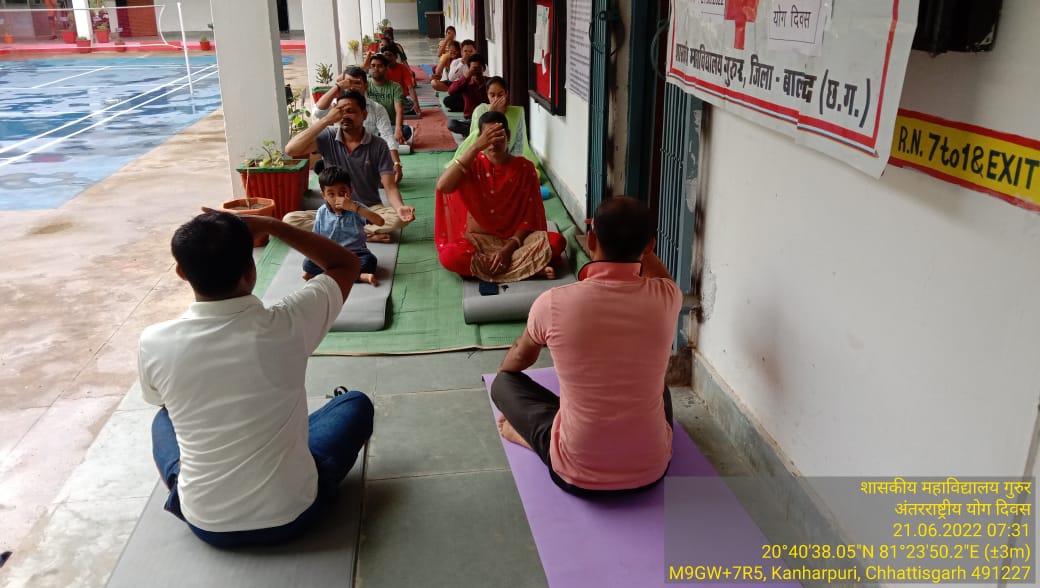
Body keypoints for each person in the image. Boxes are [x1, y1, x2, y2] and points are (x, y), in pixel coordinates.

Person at [140, 210, 374, 547]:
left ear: (181, 272)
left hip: (206, 523)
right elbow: (345, 264)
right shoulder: (289, 323)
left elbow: (159, 398)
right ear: (251, 271)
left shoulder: (152, 341)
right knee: (354, 404)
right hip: (295, 514)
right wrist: (273, 225)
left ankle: (182, 488)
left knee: (164, 417)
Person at [490, 196, 681, 497]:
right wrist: (643, 248)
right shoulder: (667, 297)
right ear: (649, 247)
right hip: (652, 470)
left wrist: (509, 379)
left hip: (576, 474)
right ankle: (569, 428)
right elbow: (661, 276)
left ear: (591, 240)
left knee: (503, 384)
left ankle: (538, 441)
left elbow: (520, 358)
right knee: (659, 389)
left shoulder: (553, 302)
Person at [435, 111, 565, 282]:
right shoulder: (472, 164)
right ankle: (528, 269)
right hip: (480, 242)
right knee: (450, 256)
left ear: (508, 136)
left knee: (557, 242)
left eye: (498, 136)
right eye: (488, 137)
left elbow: (529, 219)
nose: (493, 143)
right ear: (480, 138)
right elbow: (443, 186)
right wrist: (474, 148)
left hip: (517, 242)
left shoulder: (524, 168)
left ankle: (494, 269)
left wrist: (508, 250)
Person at [284, 89, 415, 242]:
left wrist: (399, 207)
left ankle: (338, 231)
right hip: (333, 210)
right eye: (340, 112)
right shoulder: (328, 136)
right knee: (290, 220)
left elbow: (390, 187)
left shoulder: (378, 145)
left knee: (398, 219)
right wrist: (325, 120)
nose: (344, 116)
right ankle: (363, 234)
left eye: (350, 111)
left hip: (368, 209)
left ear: (364, 115)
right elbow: (291, 149)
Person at [312, 66, 407, 183]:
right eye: (348, 83)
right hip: (340, 158)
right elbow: (317, 112)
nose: (352, 87)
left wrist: (396, 163)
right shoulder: (334, 106)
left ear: (366, 86)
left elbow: (387, 136)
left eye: (357, 83)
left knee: (385, 177)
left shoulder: (377, 108)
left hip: (366, 159)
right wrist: (337, 87)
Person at [305, 166, 385, 286]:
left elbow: (380, 222)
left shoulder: (357, 208)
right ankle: (358, 276)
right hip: (330, 256)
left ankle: (328, 274)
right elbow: (316, 238)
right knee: (307, 263)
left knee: (370, 261)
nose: (338, 198)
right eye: (331, 194)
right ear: (323, 195)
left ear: (350, 190)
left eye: (342, 193)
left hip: (355, 255)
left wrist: (354, 208)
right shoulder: (321, 212)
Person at [454, 76, 540, 172]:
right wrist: (490, 114)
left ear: (506, 94)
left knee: (532, 172)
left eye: (500, 95)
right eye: (492, 95)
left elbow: (518, 143)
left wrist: (510, 163)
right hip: (484, 156)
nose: (496, 99)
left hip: (507, 156)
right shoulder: (480, 110)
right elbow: (476, 139)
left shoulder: (517, 112)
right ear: (487, 95)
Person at [365, 44, 419, 117]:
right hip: (382, 97)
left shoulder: (402, 68)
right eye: (385, 55)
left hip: (398, 97)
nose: (387, 58)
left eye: (389, 55)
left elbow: (410, 88)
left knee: (408, 105)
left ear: (396, 56)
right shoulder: (379, 69)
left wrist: (416, 104)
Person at [446, 53, 489, 136]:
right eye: (474, 69)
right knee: (451, 124)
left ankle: (474, 133)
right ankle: (478, 132)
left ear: (483, 68)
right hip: (471, 120)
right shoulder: (466, 83)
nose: (476, 72)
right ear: (469, 69)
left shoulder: (489, 82)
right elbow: (450, 91)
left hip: (486, 119)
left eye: (479, 68)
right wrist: (466, 76)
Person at [432, 39, 477, 112]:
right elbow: (451, 78)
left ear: (475, 52)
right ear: (462, 52)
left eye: (471, 51)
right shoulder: (456, 62)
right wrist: (462, 63)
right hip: (460, 90)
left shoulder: (480, 63)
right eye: (465, 51)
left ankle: (468, 107)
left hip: (474, 91)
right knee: (447, 101)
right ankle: (469, 107)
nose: (468, 54)